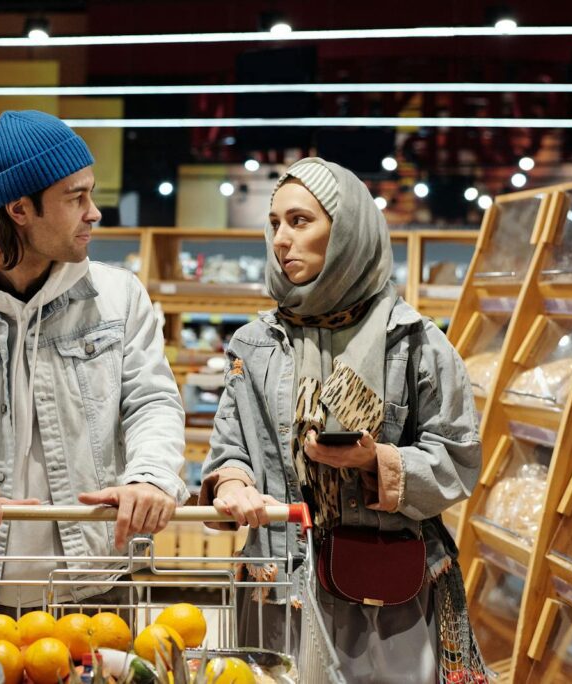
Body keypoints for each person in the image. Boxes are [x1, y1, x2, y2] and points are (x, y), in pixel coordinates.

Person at [0, 110, 187, 683]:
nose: (94, 212)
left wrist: (150, 476)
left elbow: (153, 402)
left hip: (96, 579)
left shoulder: (119, 299)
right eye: (75, 197)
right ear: (20, 209)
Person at [201, 158, 488, 683]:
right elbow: (231, 448)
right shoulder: (254, 344)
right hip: (277, 589)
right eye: (274, 224)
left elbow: (459, 458)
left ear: (348, 228)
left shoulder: (416, 343)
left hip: (388, 600)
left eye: (300, 221)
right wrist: (235, 484)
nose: (281, 240)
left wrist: (374, 461)